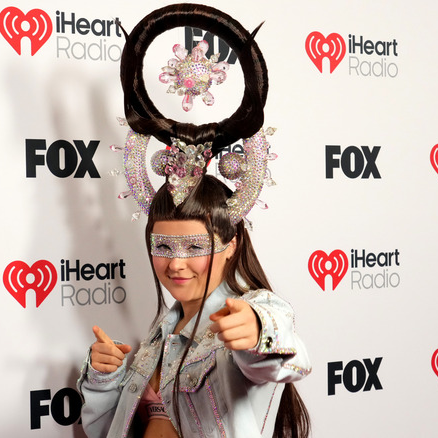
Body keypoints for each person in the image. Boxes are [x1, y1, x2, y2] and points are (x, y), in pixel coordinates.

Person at [77, 4, 311, 437]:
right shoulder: (154, 341)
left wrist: (256, 333)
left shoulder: (248, 313)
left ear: (231, 245)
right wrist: (105, 378)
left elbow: (287, 354)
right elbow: (99, 431)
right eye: (163, 247)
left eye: (194, 247)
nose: (176, 263)